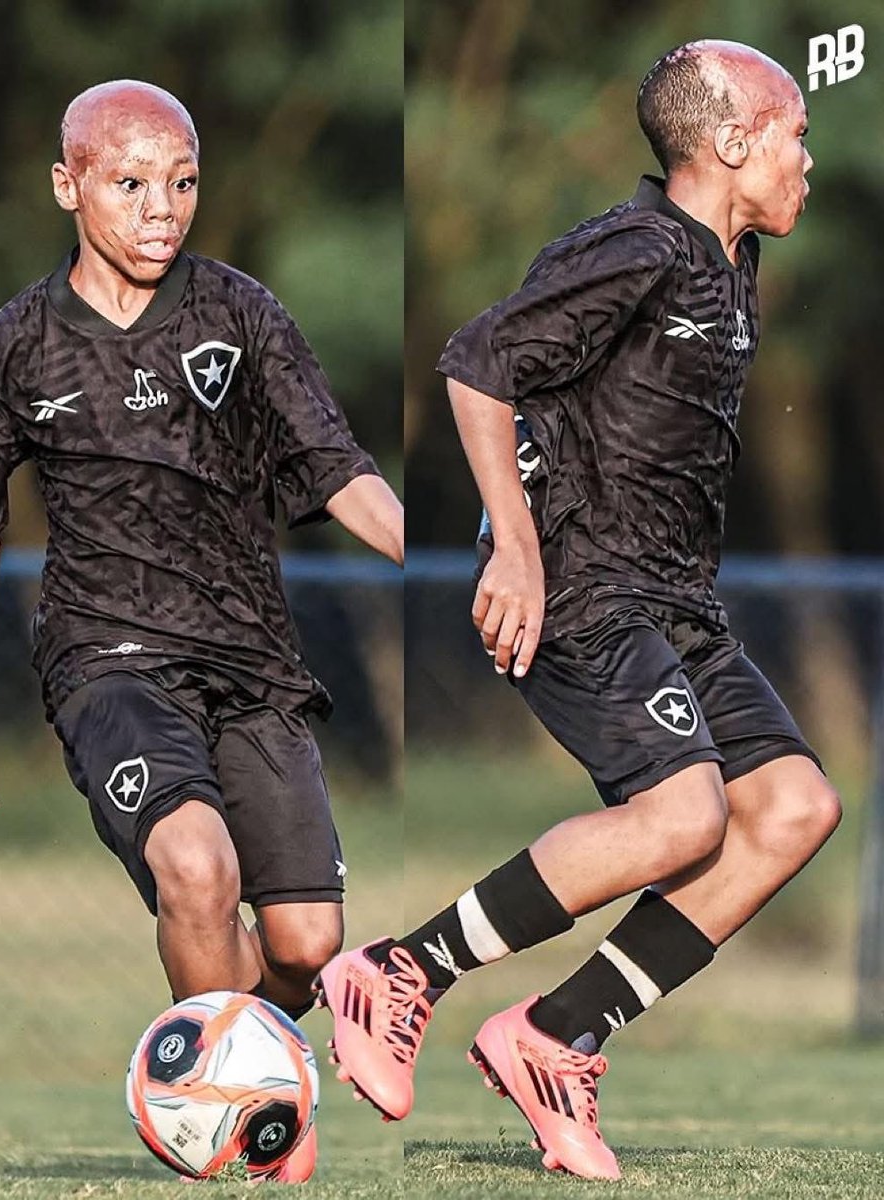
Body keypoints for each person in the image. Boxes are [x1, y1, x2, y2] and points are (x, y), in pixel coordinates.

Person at [317, 40, 840, 1180]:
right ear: (731, 142)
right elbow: (476, 363)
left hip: (673, 600)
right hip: (581, 586)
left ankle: (556, 1036)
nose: (812, 153)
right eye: (795, 131)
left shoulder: (730, 261)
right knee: (682, 819)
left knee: (794, 806)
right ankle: (401, 970)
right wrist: (513, 541)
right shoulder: (639, 245)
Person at [0, 80, 403, 1183]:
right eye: (131, 182)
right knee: (196, 869)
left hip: (254, 662)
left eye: (182, 183)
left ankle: (249, 1067)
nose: (161, 209)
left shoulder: (240, 313)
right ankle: (235, 1114)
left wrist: (485, 560)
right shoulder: (17, 347)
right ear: (68, 184)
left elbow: (338, 470)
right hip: (108, 662)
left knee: (305, 946)